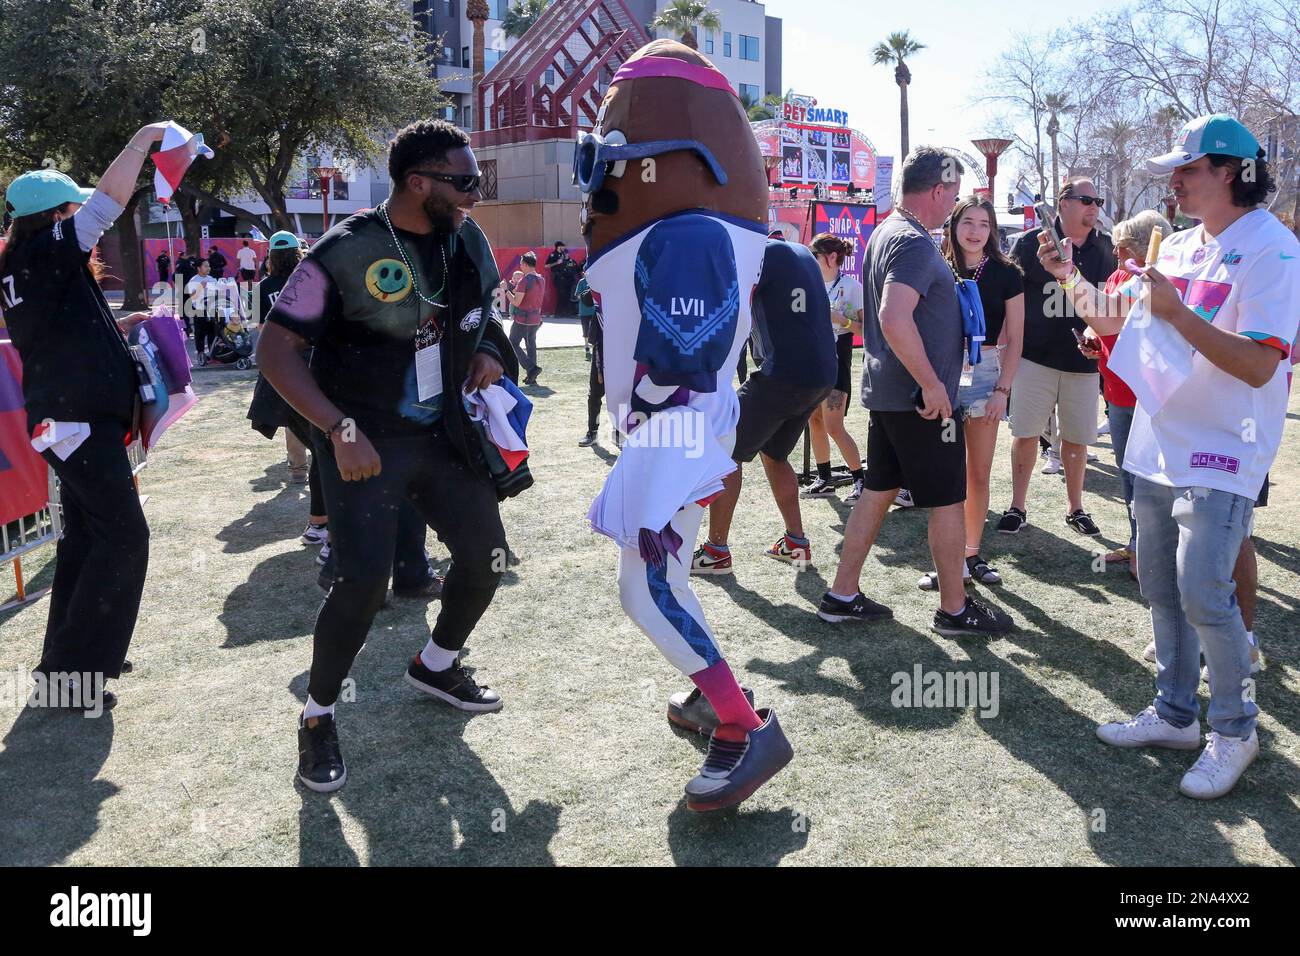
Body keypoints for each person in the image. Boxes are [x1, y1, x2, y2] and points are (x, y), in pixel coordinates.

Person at [1042, 113, 1298, 799]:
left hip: (1224, 449)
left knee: (1205, 591)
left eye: (1185, 169)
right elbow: (1111, 317)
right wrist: (1066, 272)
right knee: (1159, 583)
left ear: (1229, 172)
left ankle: (1235, 729)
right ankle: (1177, 714)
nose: (1174, 182)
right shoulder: (1180, 247)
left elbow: (1257, 367)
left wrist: (1179, 314)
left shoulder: (1276, 251)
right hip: (1159, 445)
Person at [257, 119, 515, 793]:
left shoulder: (465, 237)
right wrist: (337, 429)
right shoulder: (344, 250)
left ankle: (436, 663)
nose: (474, 196)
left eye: (476, 182)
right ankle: (316, 718)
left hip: (443, 434)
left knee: (487, 558)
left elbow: (486, 307)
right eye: (464, 184)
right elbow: (275, 351)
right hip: (361, 442)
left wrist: (491, 349)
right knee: (363, 583)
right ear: (417, 182)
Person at [0, 122, 170, 713]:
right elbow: (111, 201)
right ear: (57, 213)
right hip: (75, 423)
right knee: (125, 538)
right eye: (72, 207)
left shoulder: (24, 261)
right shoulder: (46, 250)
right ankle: (79, 672)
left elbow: (56, 331)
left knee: (87, 541)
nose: (82, 214)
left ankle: (66, 669)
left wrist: (115, 331)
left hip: (65, 421)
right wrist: (145, 139)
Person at [816, 146, 1013, 637]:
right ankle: (954, 609)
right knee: (948, 499)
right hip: (919, 401)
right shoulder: (912, 241)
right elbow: (892, 316)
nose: (955, 207)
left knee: (877, 491)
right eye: (953, 194)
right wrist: (931, 383)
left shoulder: (889, 231)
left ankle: (841, 595)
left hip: (892, 395)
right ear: (940, 189)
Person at [690, 237, 837, 574]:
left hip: (784, 372)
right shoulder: (802, 253)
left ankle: (715, 552)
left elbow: (727, 310)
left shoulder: (759, 255)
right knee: (774, 455)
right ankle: (796, 543)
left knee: (725, 451)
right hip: (821, 373)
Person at [915, 194, 1024, 589]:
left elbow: (1017, 338)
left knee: (977, 472)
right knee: (946, 473)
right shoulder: (936, 266)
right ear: (953, 225)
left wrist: (1002, 390)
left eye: (983, 224)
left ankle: (971, 554)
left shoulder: (1007, 273)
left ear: (992, 229)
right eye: (968, 223)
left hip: (986, 375)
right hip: (943, 374)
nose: (976, 232)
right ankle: (947, 561)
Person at [998, 176, 1116, 538]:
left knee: (1077, 439)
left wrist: (1097, 340)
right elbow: (1009, 299)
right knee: (1027, 433)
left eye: (1097, 201)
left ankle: (1075, 507)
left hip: (1082, 362)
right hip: (1035, 357)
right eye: (1086, 199)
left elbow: (1109, 307)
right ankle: (1017, 505)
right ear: (1063, 202)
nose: (1094, 207)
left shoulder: (1106, 249)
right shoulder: (1029, 243)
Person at [1085, 210, 1171, 568]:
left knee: (1152, 478)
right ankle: (1137, 545)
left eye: (1122, 249)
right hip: (1117, 392)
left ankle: (1155, 553)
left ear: (1142, 250)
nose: (1116, 255)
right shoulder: (1117, 276)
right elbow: (1101, 323)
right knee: (1127, 471)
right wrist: (1092, 340)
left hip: (1148, 395)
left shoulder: (1157, 281)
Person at [801, 233, 866, 502]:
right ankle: (824, 478)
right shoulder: (809, 284)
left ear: (829, 258)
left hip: (837, 360)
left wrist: (843, 321)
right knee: (814, 420)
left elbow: (867, 330)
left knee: (834, 425)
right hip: (811, 360)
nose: (810, 261)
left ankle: (861, 480)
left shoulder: (851, 287)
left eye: (814, 256)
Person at [503, 251, 545, 385]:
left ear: (526, 264)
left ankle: (531, 369)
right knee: (531, 345)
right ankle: (532, 376)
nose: (520, 265)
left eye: (521, 263)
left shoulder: (525, 280)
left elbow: (516, 302)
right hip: (535, 318)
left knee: (512, 343)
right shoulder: (541, 279)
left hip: (523, 319)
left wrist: (505, 290)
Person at [574, 269, 604, 446]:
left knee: (621, 392)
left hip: (621, 345)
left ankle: (619, 432)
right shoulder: (598, 285)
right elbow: (585, 299)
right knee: (595, 392)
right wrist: (594, 281)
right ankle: (593, 432)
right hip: (602, 345)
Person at [185, 257, 219, 364]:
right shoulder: (194, 280)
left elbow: (218, 294)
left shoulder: (212, 279)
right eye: (205, 266)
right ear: (199, 268)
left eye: (208, 266)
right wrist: (200, 287)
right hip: (199, 310)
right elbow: (192, 297)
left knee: (212, 333)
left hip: (212, 309)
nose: (208, 268)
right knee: (200, 334)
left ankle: (212, 356)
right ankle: (201, 355)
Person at [544, 240, 580, 317]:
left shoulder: (563, 254)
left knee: (567, 296)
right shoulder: (553, 255)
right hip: (558, 277)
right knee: (561, 295)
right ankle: (558, 313)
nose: (564, 248)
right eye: (562, 246)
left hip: (567, 278)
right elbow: (546, 266)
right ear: (558, 247)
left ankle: (566, 313)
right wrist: (556, 263)